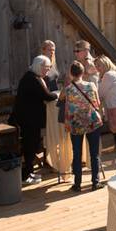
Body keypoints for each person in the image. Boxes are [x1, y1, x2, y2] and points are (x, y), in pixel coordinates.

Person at [12, 56, 59, 184]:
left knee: (31, 145)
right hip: (28, 119)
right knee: (30, 146)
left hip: (29, 118)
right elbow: (47, 96)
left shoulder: (32, 77)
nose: (48, 71)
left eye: (49, 68)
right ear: (39, 66)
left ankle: (29, 172)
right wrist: (59, 94)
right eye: (46, 68)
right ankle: (26, 175)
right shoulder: (33, 79)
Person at [62, 61, 103, 192]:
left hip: (76, 123)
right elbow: (97, 102)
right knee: (94, 153)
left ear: (71, 73)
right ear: (83, 73)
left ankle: (77, 183)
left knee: (77, 153)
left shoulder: (68, 89)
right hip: (92, 121)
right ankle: (95, 182)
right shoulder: (91, 85)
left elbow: (64, 104)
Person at [40, 40, 71, 176]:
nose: (52, 52)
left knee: (58, 130)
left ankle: (59, 161)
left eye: (53, 49)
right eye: (49, 49)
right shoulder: (40, 64)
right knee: (50, 132)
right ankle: (50, 162)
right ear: (43, 50)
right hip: (46, 102)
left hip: (55, 100)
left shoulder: (54, 63)